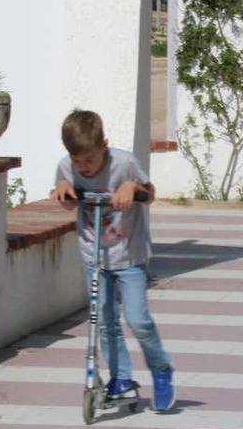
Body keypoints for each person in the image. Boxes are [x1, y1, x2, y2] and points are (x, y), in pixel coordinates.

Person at [51, 110, 175, 412]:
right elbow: (66, 200)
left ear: (104, 145)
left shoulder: (125, 163)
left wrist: (132, 188)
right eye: (78, 161)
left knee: (138, 320)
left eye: (90, 160)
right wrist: (63, 191)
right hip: (93, 256)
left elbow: (150, 193)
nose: (84, 168)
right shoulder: (67, 166)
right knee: (104, 323)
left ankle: (161, 370)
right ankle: (120, 379)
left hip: (129, 256)